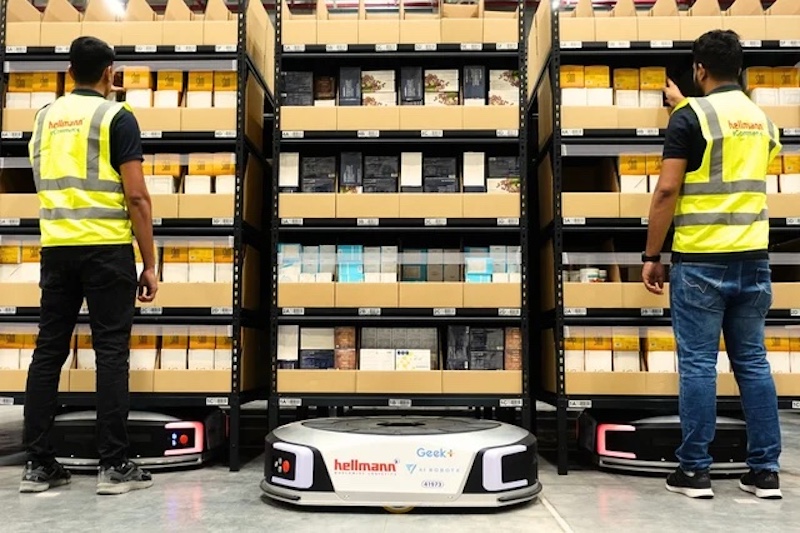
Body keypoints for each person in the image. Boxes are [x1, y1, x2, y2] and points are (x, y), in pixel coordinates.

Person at [642, 30, 782, 500]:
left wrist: (652, 255)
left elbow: (667, 190)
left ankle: (694, 472)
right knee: (753, 363)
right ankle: (765, 472)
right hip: (753, 260)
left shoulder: (690, 118)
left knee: (699, 365)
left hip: (701, 261)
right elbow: (730, 152)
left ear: (699, 68)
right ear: (739, 68)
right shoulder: (763, 121)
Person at [20, 36, 158, 495]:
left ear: (69, 71)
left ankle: (38, 465)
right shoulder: (116, 117)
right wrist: (150, 263)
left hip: (56, 248)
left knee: (48, 351)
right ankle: (113, 464)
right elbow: (136, 196)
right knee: (111, 352)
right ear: (109, 72)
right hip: (106, 249)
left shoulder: (44, 117)